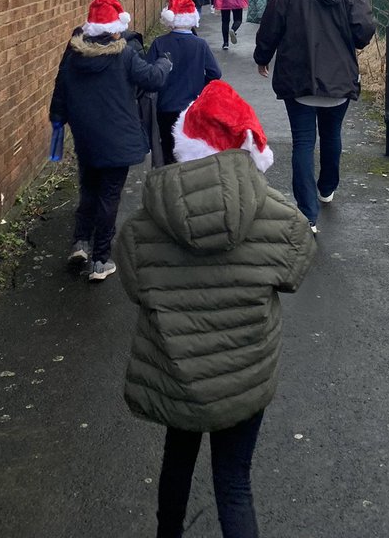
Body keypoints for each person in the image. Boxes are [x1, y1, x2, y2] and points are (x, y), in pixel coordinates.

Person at [116, 80, 315, 538]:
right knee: (233, 481)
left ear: (184, 142)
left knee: (177, 464)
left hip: (176, 370)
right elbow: (293, 272)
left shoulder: (144, 224)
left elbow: (135, 285)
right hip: (245, 372)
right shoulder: (280, 220)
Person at [252, 0, 376, 234]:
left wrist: (262, 57)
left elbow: (270, 28)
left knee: (303, 143)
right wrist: (352, 44)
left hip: (299, 80)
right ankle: (327, 187)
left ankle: (308, 213)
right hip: (339, 79)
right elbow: (364, 28)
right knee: (332, 135)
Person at [49, 0, 171, 280]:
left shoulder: (74, 53)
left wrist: (58, 118)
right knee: (108, 196)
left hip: (87, 135)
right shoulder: (125, 54)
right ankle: (101, 259)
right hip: (118, 137)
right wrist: (166, 64)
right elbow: (152, 78)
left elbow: (60, 86)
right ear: (116, 26)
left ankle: (80, 242)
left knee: (89, 188)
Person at [146, 0, 222, 165]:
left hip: (165, 106)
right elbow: (215, 73)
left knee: (167, 147)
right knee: (189, 150)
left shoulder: (159, 43)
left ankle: (167, 181)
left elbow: (149, 74)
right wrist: (200, 86)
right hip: (191, 106)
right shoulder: (200, 44)